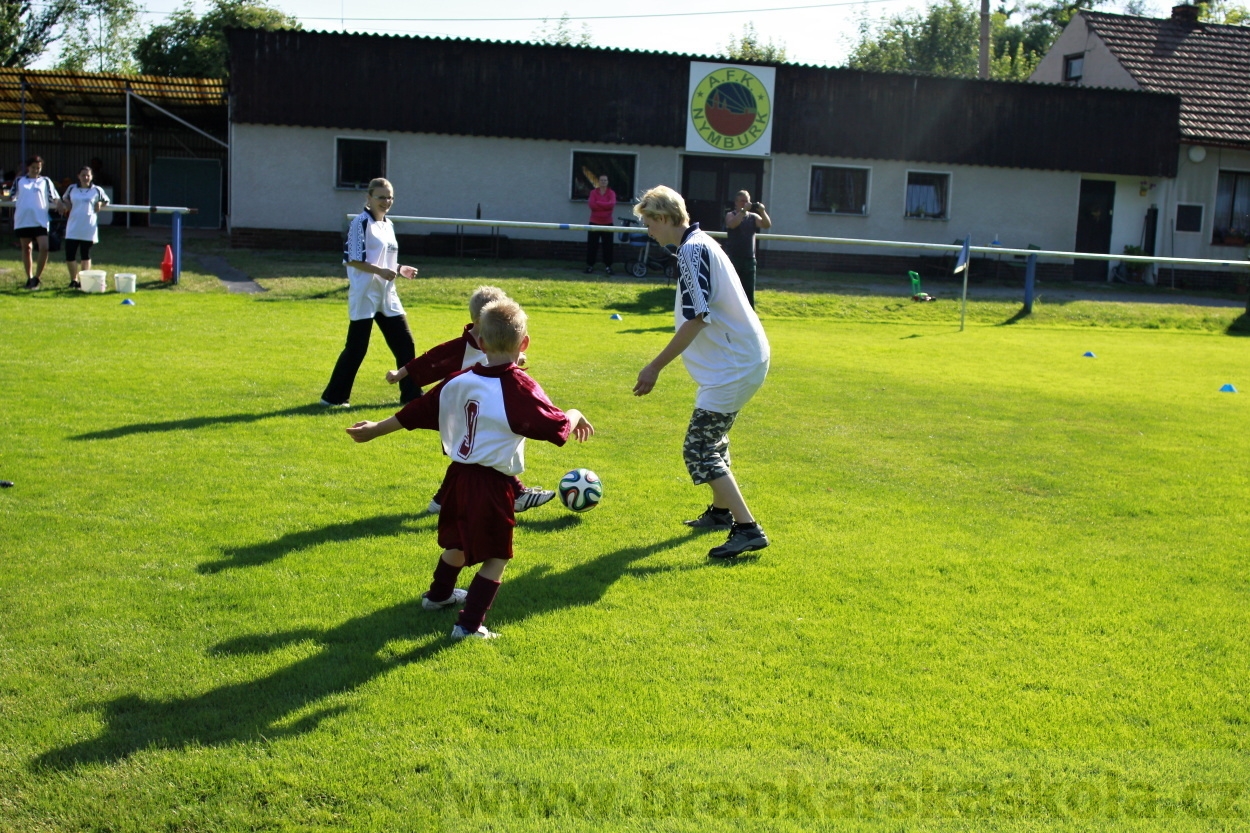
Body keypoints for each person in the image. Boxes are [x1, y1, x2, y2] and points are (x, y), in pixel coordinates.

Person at [346, 298, 594, 640]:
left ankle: (438, 596)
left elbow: (417, 410)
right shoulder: (519, 386)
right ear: (524, 344)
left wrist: (375, 429)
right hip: (491, 483)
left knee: (459, 545)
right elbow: (557, 428)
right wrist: (577, 412)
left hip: (457, 477)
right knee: (497, 556)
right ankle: (469, 625)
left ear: (479, 342)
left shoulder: (459, 380)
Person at [633, 185, 771, 559]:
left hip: (735, 364)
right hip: (741, 360)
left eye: (649, 223)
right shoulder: (699, 243)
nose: (648, 231)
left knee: (698, 448)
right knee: (715, 441)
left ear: (663, 218)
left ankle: (748, 529)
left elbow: (696, 319)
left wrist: (654, 367)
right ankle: (721, 513)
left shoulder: (692, 252)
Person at [385, 285, 556, 515]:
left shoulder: (495, 345)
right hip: (464, 413)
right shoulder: (461, 347)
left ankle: (510, 494)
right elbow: (430, 359)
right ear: (480, 320)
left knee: (484, 454)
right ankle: (448, 500)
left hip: (489, 410)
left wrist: (516, 358)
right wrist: (400, 374)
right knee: (475, 457)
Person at [321, 177, 420, 407]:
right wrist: (381, 270)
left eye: (389, 197)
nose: (386, 201)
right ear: (369, 198)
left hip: (387, 295)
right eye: (381, 197)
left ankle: (412, 397)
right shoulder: (360, 223)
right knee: (356, 349)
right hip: (365, 294)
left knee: (406, 344)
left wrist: (399, 268)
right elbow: (352, 259)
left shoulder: (389, 225)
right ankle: (333, 398)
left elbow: (385, 260)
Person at [13, 156, 61, 290]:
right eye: (33, 167)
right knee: (26, 248)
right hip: (23, 219)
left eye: (38, 168)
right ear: (28, 167)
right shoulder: (19, 181)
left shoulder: (45, 181)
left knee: (44, 247)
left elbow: (54, 197)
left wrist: (60, 203)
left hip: (40, 219)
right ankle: (29, 277)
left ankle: (37, 278)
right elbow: (11, 195)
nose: (35, 170)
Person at [61, 165, 111, 290]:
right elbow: (64, 198)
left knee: (85, 255)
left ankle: (85, 282)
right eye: (83, 175)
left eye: (88, 175)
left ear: (92, 176)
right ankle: (74, 280)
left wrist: (100, 203)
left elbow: (106, 200)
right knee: (70, 255)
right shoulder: (72, 188)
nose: (86, 178)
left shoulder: (97, 190)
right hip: (73, 227)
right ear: (79, 176)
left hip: (88, 227)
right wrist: (66, 202)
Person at [723, 190, 772, 309]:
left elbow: (767, 225)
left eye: (747, 201)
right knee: (733, 290)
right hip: (734, 259)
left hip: (749, 259)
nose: (745, 203)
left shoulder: (753, 217)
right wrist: (743, 211)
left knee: (749, 291)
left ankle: (750, 318)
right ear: (736, 202)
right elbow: (732, 224)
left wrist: (762, 211)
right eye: (742, 201)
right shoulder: (731, 214)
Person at [584, 174, 617, 276]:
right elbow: (592, 205)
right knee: (592, 245)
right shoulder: (593, 192)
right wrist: (604, 205)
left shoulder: (611, 193)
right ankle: (590, 266)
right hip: (594, 223)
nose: (603, 182)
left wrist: (599, 203)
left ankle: (608, 267)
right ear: (598, 181)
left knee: (608, 246)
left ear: (608, 182)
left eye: (605, 180)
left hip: (608, 223)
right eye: (601, 180)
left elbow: (612, 204)